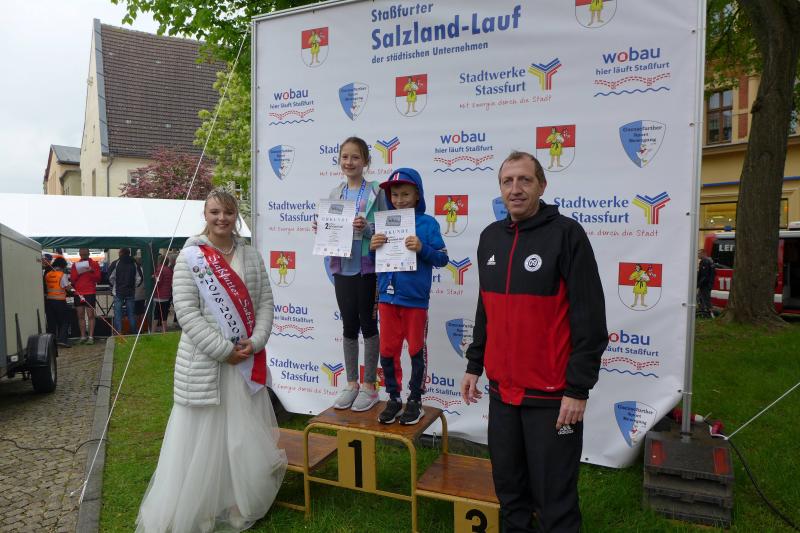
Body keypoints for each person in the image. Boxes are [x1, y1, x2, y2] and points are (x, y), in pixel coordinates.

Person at [460, 151, 608, 532]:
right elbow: (486, 307)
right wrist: (475, 364)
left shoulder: (567, 235)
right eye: (507, 181)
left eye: (524, 180)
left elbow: (590, 319)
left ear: (542, 185)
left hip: (553, 400)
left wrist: (577, 389)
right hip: (503, 396)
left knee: (555, 504)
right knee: (511, 497)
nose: (516, 189)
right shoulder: (490, 238)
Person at [136, 189, 286, 532]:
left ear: (236, 217)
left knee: (240, 438)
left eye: (228, 213)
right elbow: (187, 313)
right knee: (200, 443)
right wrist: (223, 350)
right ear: (205, 214)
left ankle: (238, 501)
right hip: (206, 364)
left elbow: (265, 304)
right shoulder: (190, 257)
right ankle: (200, 506)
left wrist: (255, 341)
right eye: (215, 212)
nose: (222, 219)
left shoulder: (251, 256)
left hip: (244, 364)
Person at [314, 136, 387, 412]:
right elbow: (330, 229)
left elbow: (388, 229)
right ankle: (351, 383)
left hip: (367, 269)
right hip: (342, 268)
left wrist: (367, 228)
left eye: (355, 157)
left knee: (368, 325)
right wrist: (322, 229)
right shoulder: (336, 193)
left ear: (365, 161)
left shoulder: (376, 192)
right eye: (345, 157)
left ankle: (370, 386)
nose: (349, 162)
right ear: (339, 160)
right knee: (348, 326)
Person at [370, 168, 448, 425]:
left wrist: (422, 248)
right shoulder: (384, 223)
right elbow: (377, 260)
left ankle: (415, 399)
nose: (399, 200)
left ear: (417, 195)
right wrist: (372, 248)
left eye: (405, 194)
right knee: (387, 350)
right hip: (387, 299)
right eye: (395, 195)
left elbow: (442, 258)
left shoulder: (428, 224)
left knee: (415, 350)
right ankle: (394, 397)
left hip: (414, 301)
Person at [70, 248, 102, 344]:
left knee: (91, 315)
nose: (83, 256)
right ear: (79, 254)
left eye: (85, 255)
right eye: (81, 255)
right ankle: (83, 336)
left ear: (89, 254)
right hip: (78, 293)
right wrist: (79, 273)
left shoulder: (94, 264)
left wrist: (91, 271)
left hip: (90, 292)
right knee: (80, 315)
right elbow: (72, 280)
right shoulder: (75, 265)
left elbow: (98, 279)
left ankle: (91, 337)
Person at [108, 248, 142, 334]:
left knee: (118, 314)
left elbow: (110, 277)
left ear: (121, 253)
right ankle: (134, 332)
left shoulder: (116, 263)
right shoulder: (134, 263)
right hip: (130, 292)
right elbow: (139, 278)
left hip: (118, 291)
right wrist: (133, 286)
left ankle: (119, 333)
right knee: (131, 314)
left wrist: (114, 285)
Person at [44, 257, 74, 348]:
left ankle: (51, 343)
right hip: (59, 301)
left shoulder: (48, 274)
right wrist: (72, 288)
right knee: (65, 320)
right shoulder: (62, 275)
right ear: (63, 266)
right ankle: (62, 340)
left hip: (49, 301)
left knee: (52, 322)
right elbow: (67, 288)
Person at [153, 255, 174, 333]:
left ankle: (153, 330)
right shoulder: (169, 270)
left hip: (159, 294)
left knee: (156, 313)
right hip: (167, 294)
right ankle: (164, 330)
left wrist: (154, 277)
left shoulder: (159, 269)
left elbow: (158, 281)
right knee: (164, 313)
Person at [697, 249, 715, 318]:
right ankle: (704, 313)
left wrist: (698, 284)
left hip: (705, 285)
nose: (698, 255)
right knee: (700, 298)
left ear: (703, 254)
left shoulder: (705, 262)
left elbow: (704, 276)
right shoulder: (709, 261)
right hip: (707, 284)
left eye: (699, 253)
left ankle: (710, 315)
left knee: (706, 299)